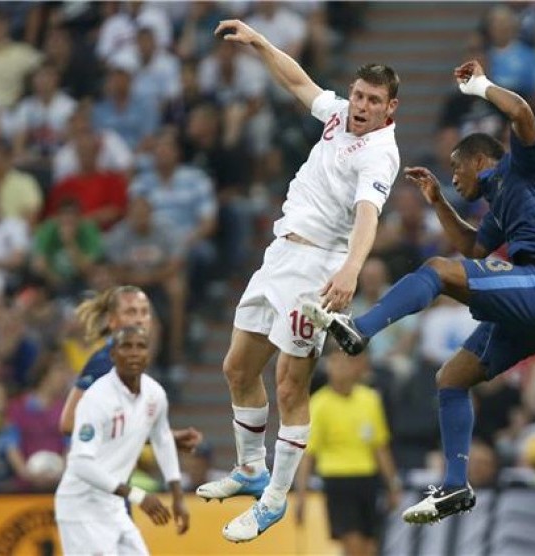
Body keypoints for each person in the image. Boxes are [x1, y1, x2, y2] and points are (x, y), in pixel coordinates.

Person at [305, 59, 535, 524]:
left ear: (480, 160)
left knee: (438, 270)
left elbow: (521, 113)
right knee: (451, 379)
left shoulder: (522, 170)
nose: (455, 178)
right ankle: (456, 488)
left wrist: (480, 87)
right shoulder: (498, 204)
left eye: (457, 170)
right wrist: (438, 202)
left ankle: (360, 329)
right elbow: (472, 245)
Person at [194, 19, 400, 543]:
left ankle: (275, 500)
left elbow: (367, 216)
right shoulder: (337, 118)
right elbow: (298, 83)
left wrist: (351, 269)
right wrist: (261, 42)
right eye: (358, 94)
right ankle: (249, 469)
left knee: (290, 384)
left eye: (373, 100)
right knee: (237, 368)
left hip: (318, 269)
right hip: (279, 256)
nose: (361, 105)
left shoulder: (380, 153)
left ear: (389, 109)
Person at [54, 326, 190, 554]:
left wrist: (178, 496)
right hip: (81, 506)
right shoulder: (96, 398)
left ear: (149, 353)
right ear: (113, 354)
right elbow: (79, 463)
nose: (134, 352)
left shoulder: (155, 394)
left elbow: (162, 439)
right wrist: (137, 495)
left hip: (113, 506)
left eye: (141, 346)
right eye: (126, 346)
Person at [58, 285, 202, 452]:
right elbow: (69, 423)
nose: (140, 320)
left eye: (144, 313)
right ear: (112, 321)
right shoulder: (104, 363)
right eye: (131, 313)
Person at [294, 347, 401, 556]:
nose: (342, 369)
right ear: (329, 368)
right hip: (338, 480)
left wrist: (392, 485)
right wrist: (301, 494)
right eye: (336, 364)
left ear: (356, 368)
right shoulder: (319, 403)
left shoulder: (370, 399)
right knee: (354, 545)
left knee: (370, 547)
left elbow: (380, 447)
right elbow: (309, 454)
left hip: (368, 480)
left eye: (346, 364)